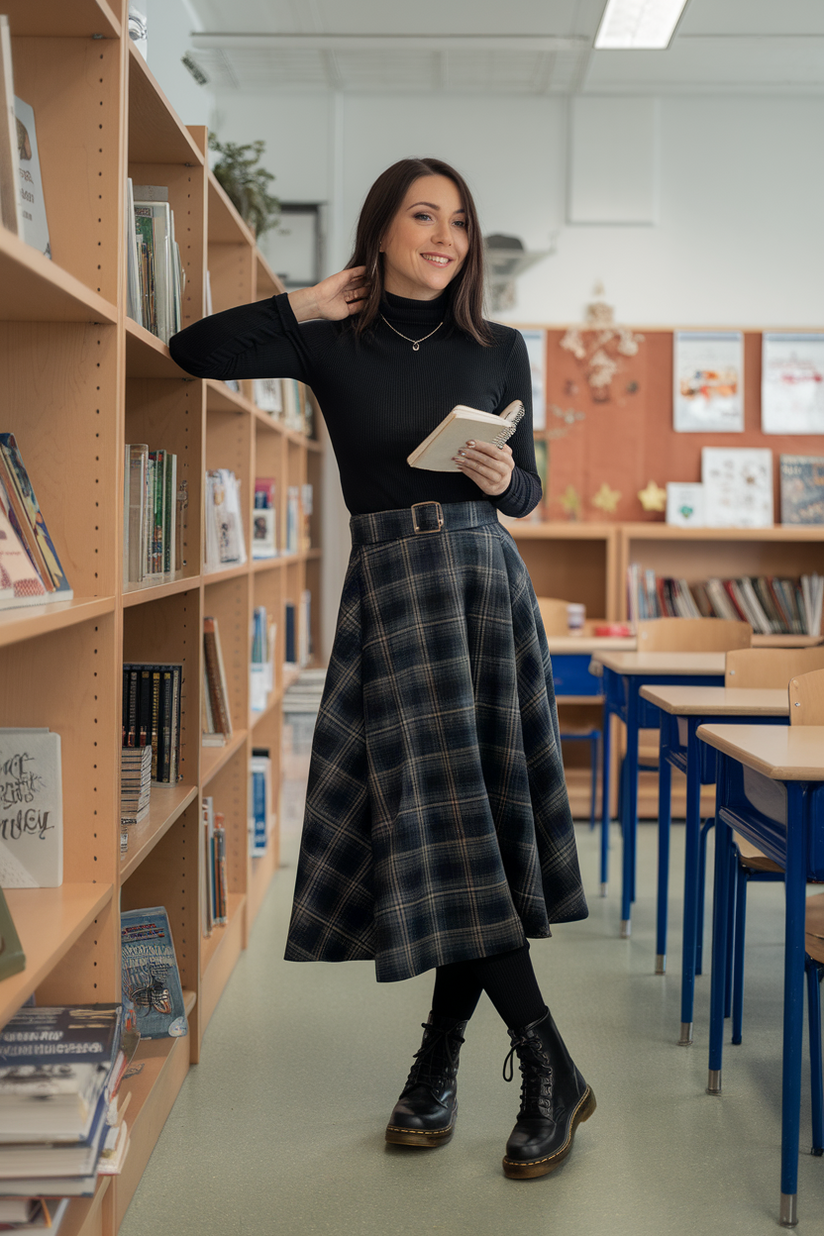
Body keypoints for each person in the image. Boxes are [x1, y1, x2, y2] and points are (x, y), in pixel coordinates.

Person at [169, 156, 594, 1179]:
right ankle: (543, 1063)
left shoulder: (499, 347)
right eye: (422, 216)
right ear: (383, 231)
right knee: (441, 819)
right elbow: (191, 353)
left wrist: (507, 476)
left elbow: (529, 489)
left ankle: (445, 1061)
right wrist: (300, 300)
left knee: (464, 821)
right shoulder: (330, 341)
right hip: (393, 591)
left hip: (481, 582)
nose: (444, 237)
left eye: (458, 221)